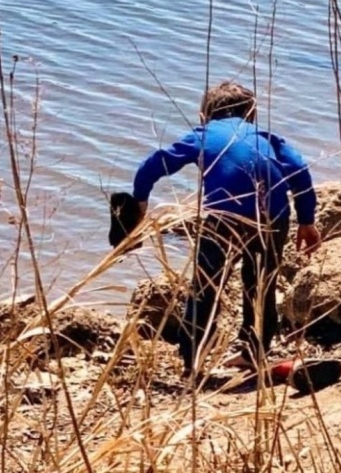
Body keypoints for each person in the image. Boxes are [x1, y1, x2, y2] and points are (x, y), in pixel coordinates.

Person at [131, 81, 321, 377]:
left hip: (224, 217)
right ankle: (254, 352)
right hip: (273, 217)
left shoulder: (203, 135)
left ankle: (192, 362)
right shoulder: (268, 137)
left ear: (203, 114)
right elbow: (299, 169)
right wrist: (307, 220)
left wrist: (139, 205)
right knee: (260, 285)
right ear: (252, 114)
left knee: (205, 287)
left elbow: (154, 165)